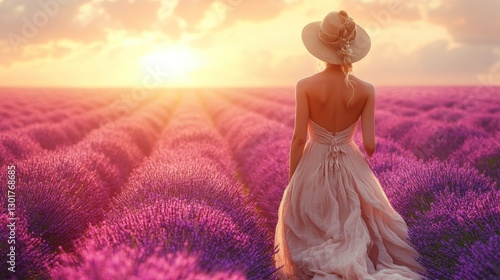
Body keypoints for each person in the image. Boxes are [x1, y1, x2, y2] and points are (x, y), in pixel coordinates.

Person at [274, 10, 424, 279]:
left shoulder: (305, 85)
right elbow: (369, 145)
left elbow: (298, 138)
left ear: (320, 48)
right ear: (351, 50)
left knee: (316, 228)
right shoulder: (366, 89)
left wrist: (293, 182)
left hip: (313, 162)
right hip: (350, 163)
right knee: (351, 222)